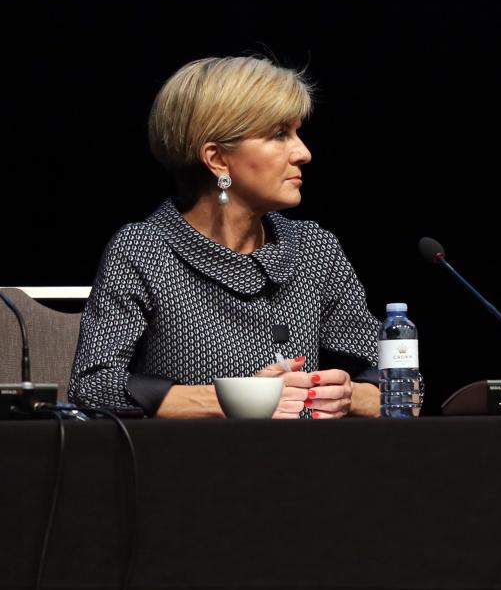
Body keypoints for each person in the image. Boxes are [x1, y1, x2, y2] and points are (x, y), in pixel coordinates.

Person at [69, 56, 381, 418]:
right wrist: (242, 399)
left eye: (297, 133)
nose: (304, 153)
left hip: (304, 465)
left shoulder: (314, 249)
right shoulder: (144, 250)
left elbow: (398, 381)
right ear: (217, 159)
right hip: (191, 466)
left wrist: (349, 395)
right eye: (280, 135)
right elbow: (93, 387)